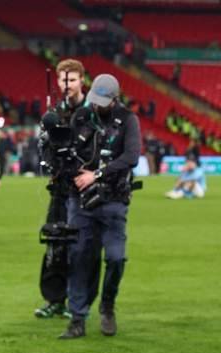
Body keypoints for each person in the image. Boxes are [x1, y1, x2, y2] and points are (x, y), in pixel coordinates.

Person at [60, 74, 141, 338]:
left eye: (103, 102)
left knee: (116, 258)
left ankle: (107, 305)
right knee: (78, 256)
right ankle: (77, 318)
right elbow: (69, 151)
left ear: (115, 99)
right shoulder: (81, 116)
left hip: (114, 200)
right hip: (81, 200)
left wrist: (96, 174)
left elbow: (131, 156)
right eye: (95, 100)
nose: (97, 105)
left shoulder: (128, 119)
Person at [35, 58, 101, 319]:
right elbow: (43, 146)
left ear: (81, 81)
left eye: (72, 80)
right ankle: (54, 299)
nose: (67, 85)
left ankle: (81, 302)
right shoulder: (54, 112)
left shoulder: (93, 111)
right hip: (60, 188)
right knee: (55, 244)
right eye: (63, 79)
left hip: (86, 189)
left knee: (85, 247)